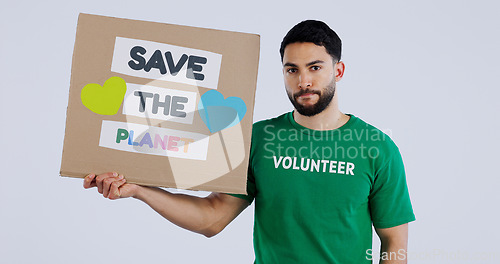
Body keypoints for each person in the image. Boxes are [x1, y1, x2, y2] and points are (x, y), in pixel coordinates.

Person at [83, 20, 415, 263]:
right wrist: (140, 189)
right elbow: (212, 218)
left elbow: (394, 243)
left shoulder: (377, 148)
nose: (304, 81)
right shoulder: (259, 138)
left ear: (338, 71)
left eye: (315, 67)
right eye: (292, 70)